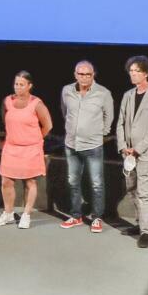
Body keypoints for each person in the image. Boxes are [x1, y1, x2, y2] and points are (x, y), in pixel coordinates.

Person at [117, 55, 148, 248]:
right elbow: (120, 122)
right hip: (128, 153)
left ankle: (146, 232)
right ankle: (140, 224)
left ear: (146, 73)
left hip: (145, 153)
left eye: (136, 71)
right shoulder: (128, 95)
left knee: (143, 192)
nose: (132, 74)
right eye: (131, 71)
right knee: (131, 189)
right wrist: (123, 146)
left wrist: (138, 149)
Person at [60, 60, 115, 233]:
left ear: (93, 75)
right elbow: (65, 112)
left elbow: (109, 116)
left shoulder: (103, 93)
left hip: (93, 146)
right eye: (81, 74)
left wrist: (102, 133)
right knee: (72, 181)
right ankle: (76, 215)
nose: (84, 77)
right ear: (75, 75)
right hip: (71, 144)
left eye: (88, 74)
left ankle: (97, 217)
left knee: (96, 183)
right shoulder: (67, 91)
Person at [0, 72, 52, 228]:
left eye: (21, 84)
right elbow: (6, 121)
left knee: (30, 182)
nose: (18, 87)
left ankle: (26, 215)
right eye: (16, 84)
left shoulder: (36, 103)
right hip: (11, 147)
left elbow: (48, 125)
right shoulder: (7, 101)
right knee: (6, 181)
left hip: (30, 149)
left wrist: (35, 139)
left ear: (29, 86)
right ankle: (8, 213)